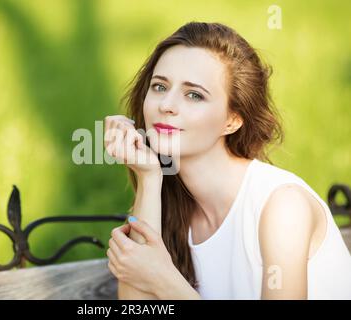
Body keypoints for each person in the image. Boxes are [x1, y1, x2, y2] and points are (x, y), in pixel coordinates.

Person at [104, 22, 351, 300]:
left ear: (232, 120)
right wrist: (148, 178)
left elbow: (157, 282)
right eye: (160, 86)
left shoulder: (282, 207)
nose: (166, 105)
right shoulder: (175, 205)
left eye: (194, 94)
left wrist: (165, 280)